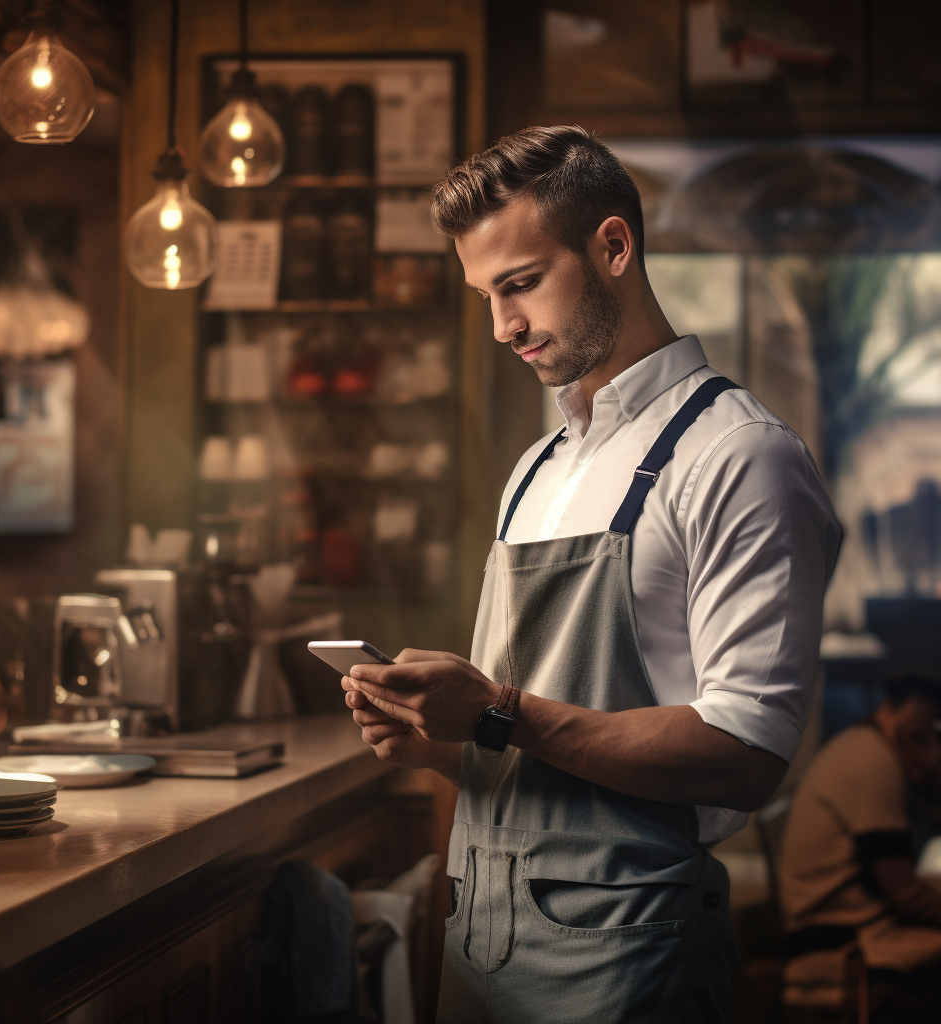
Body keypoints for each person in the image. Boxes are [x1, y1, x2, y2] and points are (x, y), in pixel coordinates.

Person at [341, 125, 842, 1023]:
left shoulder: (739, 455)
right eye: (485, 296)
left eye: (521, 284)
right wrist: (438, 736)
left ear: (613, 247)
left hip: (629, 954)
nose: (503, 326)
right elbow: (532, 751)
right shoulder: (535, 470)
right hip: (480, 948)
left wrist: (496, 711)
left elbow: (748, 756)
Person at [777, 675, 941, 1019]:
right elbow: (907, 896)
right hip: (840, 938)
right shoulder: (873, 759)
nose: (932, 744)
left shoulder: (869, 745)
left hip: (854, 921)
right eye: (927, 733)